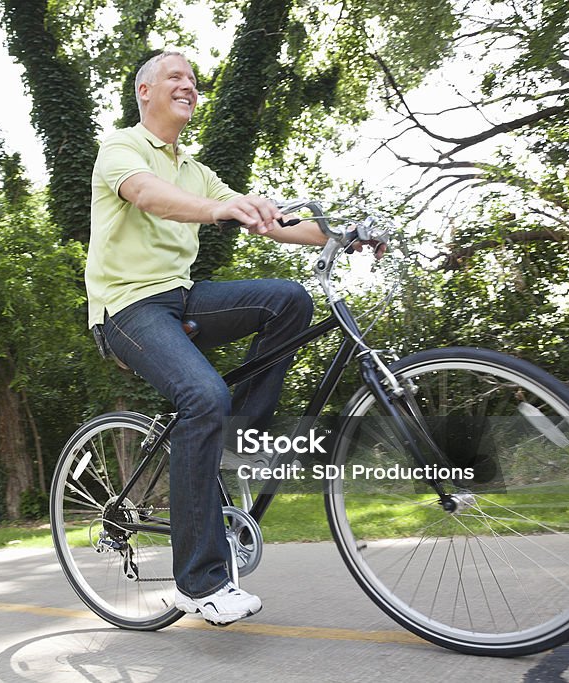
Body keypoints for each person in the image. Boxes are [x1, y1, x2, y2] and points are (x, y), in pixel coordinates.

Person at [86, 51, 384, 626]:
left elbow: (273, 224)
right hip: (127, 308)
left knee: (290, 300)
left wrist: (346, 233)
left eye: (193, 81)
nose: (188, 86)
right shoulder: (120, 148)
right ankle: (200, 581)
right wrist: (220, 209)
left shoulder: (196, 170)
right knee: (203, 396)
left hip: (180, 297)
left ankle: (235, 443)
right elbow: (149, 195)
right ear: (144, 91)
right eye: (175, 76)